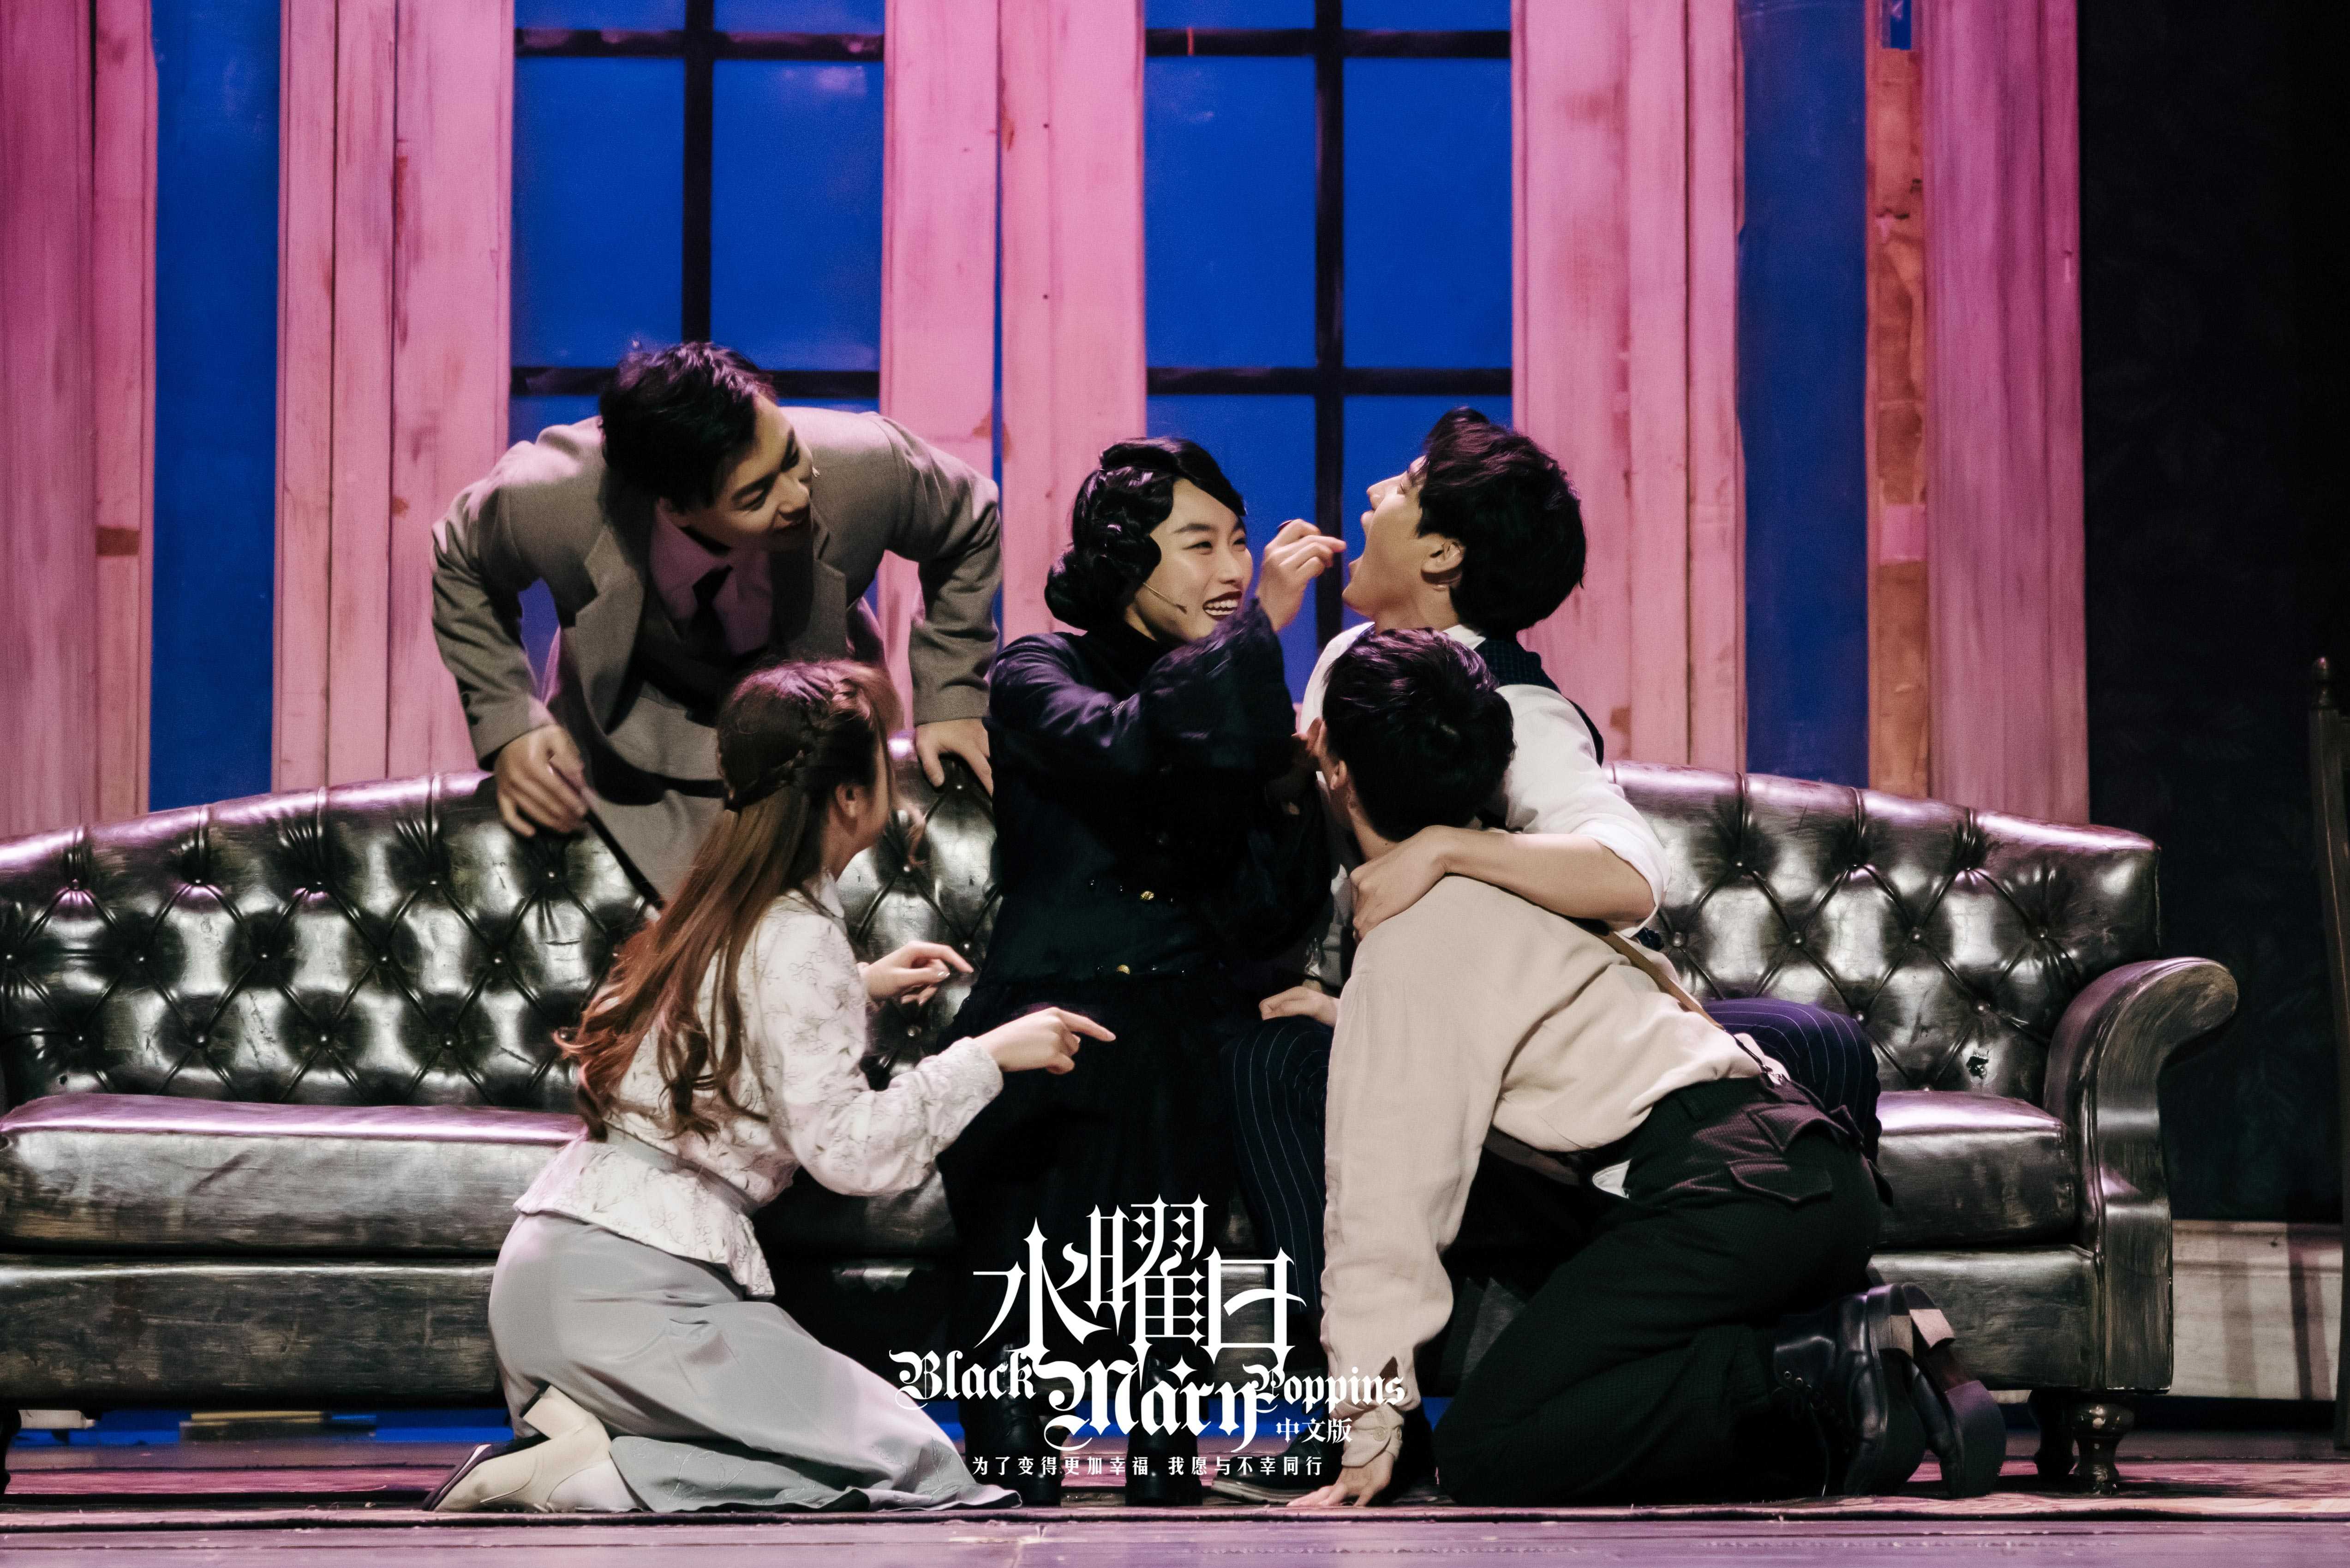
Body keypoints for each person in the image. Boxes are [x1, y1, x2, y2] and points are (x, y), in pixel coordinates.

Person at [1222, 410, 1882, 1372]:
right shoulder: (1344, 661)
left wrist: (1448, 846)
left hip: (1533, 1032)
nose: (1371, 496)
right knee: (1270, 1056)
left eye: (1403, 487)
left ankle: (1808, 1340)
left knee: (1809, 1042)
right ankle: (1360, 1386)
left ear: (1442, 552)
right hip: (1411, 1010)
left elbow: (1626, 873)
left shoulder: (1520, 712)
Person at [1292, 631, 2000, 1507]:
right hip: (1811, 1171)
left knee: (1484, 1449)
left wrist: (1367, 1427)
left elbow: (1382, 1208)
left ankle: (1816, 1362)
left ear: (1333, 766)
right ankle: (1853, 1364)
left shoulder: (1410, 943)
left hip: (1719, 1201)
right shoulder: (1534, 880)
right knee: (1597, 1391)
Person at [426, 660, 1112, 1514]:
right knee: (921, 1467)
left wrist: (857, 984)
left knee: (878, 1464)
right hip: (626, 1297)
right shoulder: (795, 932)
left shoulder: (722, 903)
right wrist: (988, 1055)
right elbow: (851, 1153)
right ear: (850, 797)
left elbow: (743, 1010)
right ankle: (596, 1477)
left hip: (550, 1284)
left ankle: (588, 1448)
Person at [932, 438, 1340, 1507]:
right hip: (1053, 999)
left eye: (1239, 542)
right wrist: (1258, 634)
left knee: (1197, 1057)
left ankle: (1171, 1421)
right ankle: (1024, 1412)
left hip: (1187, 1010)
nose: (1232, 569)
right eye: (1198, 544)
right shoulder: (1035, 671)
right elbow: (1124, 743)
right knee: (1086, 1063)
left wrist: (1289, 789)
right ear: (1124, 557)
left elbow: (1272, 910)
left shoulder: (1240, 698)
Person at [432, 341, 1001, 901]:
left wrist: (951, 694)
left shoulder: (864, 466)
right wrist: (510, 720)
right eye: (755, 495)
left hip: (810, 717)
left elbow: (969, 520)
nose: (797, 498)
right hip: (632, 732)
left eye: (790, 456)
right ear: (674, 506)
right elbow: (462, 559)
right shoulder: (553, 499)